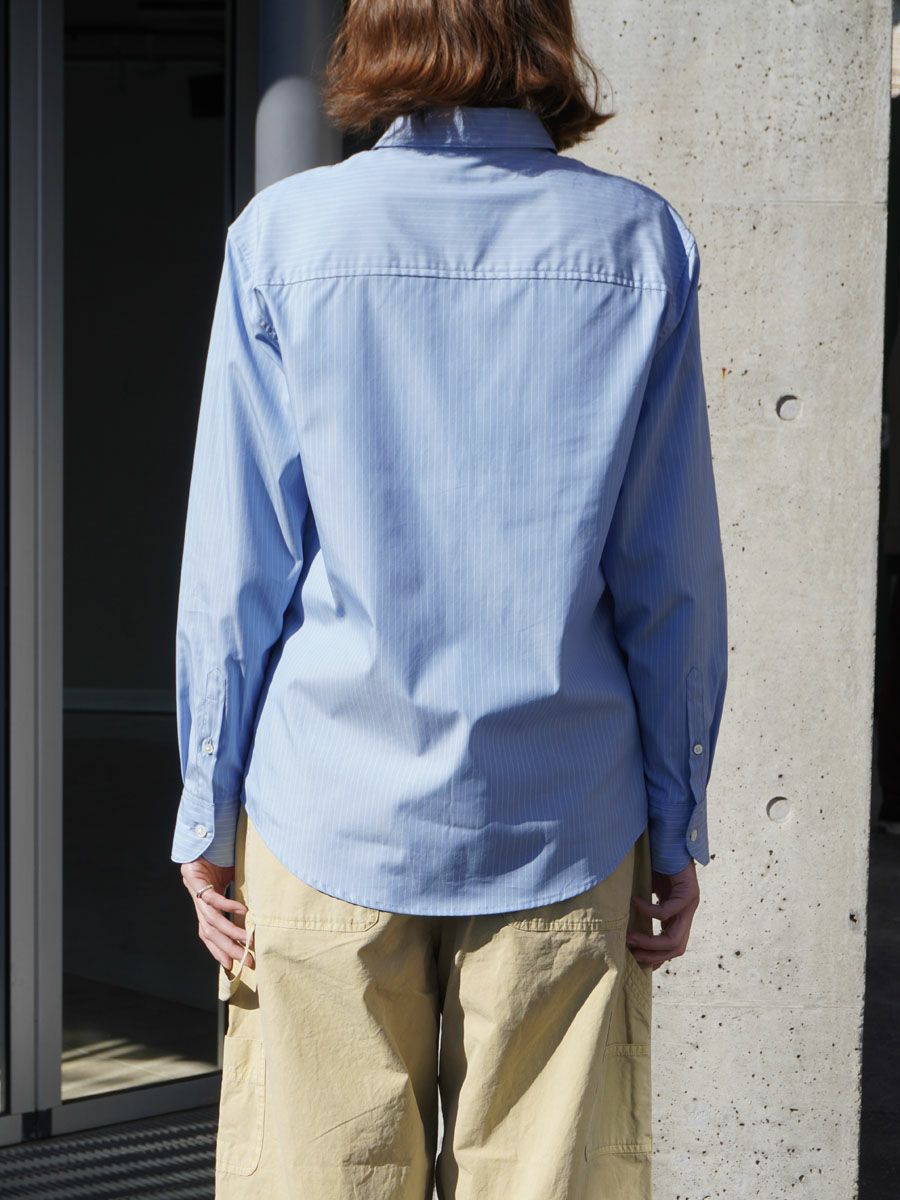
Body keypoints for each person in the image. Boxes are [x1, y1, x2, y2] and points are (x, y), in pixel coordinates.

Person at [170, 1, 728, 1196]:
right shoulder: (640, 245)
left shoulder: (285, 239)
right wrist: (676, 824)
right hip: (567, 814)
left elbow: (236, 572)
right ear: (545, 31)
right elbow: (668, 578)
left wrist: (205, 818)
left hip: (328, 811)